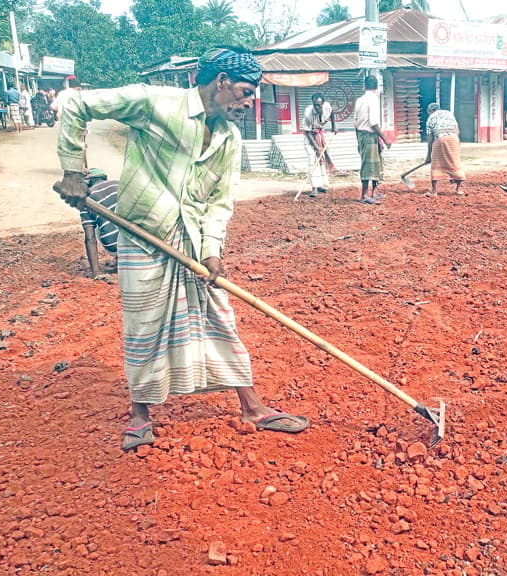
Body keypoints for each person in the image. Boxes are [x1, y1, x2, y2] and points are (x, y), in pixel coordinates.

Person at [53, 46, 310, 452]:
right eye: (244, 92)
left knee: (219, 316)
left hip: (191, 242)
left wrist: (212, 252)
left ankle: (253, 407)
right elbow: (77, 105)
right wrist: (72, 169)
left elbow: (220, 201)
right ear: (221, 81)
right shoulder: (154, 102)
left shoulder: (229, 138)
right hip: (143, 236)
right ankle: (140, 416)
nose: (248, 102)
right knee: (144, 325)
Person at [354, 75, 391, 205]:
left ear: (365, 85)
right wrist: (385, 138)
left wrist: (358, 140)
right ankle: (364, 195)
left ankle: (374, 192)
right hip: (369, 135)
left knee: (376, 163)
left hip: (363, 135)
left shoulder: (360, 100)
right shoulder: (373, 99)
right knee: (368, 165)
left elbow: (355, 122)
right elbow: (374, 123)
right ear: (377, 86)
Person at [79, 170, 120, 278]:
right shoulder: (118, 184)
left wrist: (96, 272)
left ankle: (119, 257)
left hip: (113, 244)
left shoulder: (86, 200)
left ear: (87, 183)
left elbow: (90, 238)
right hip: (135, 239)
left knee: (96, 226)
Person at [424, 102, 465, 196]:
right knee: (455, 162)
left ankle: (434, 191)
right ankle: (458, 190)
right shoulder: (449, 113)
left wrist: (428, 155)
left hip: (440, 139)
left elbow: (430, 137)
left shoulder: (430, 118)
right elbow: (457, 130)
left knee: (436, 162)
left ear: (430, 111)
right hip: (454, 138)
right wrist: (455, 142)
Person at [302, 92, 336, 198]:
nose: (317, 107)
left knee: (322, 161)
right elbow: (307, 132)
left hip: (320, 135)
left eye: (319, 105)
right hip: (310, 137)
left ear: (323, 103)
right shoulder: (308, 113)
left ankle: (321, 184)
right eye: (315, 104)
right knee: (313, 162)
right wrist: (317, 147)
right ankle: (314, 188)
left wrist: (334, 126)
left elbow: (332, 114)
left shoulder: (327, 107)